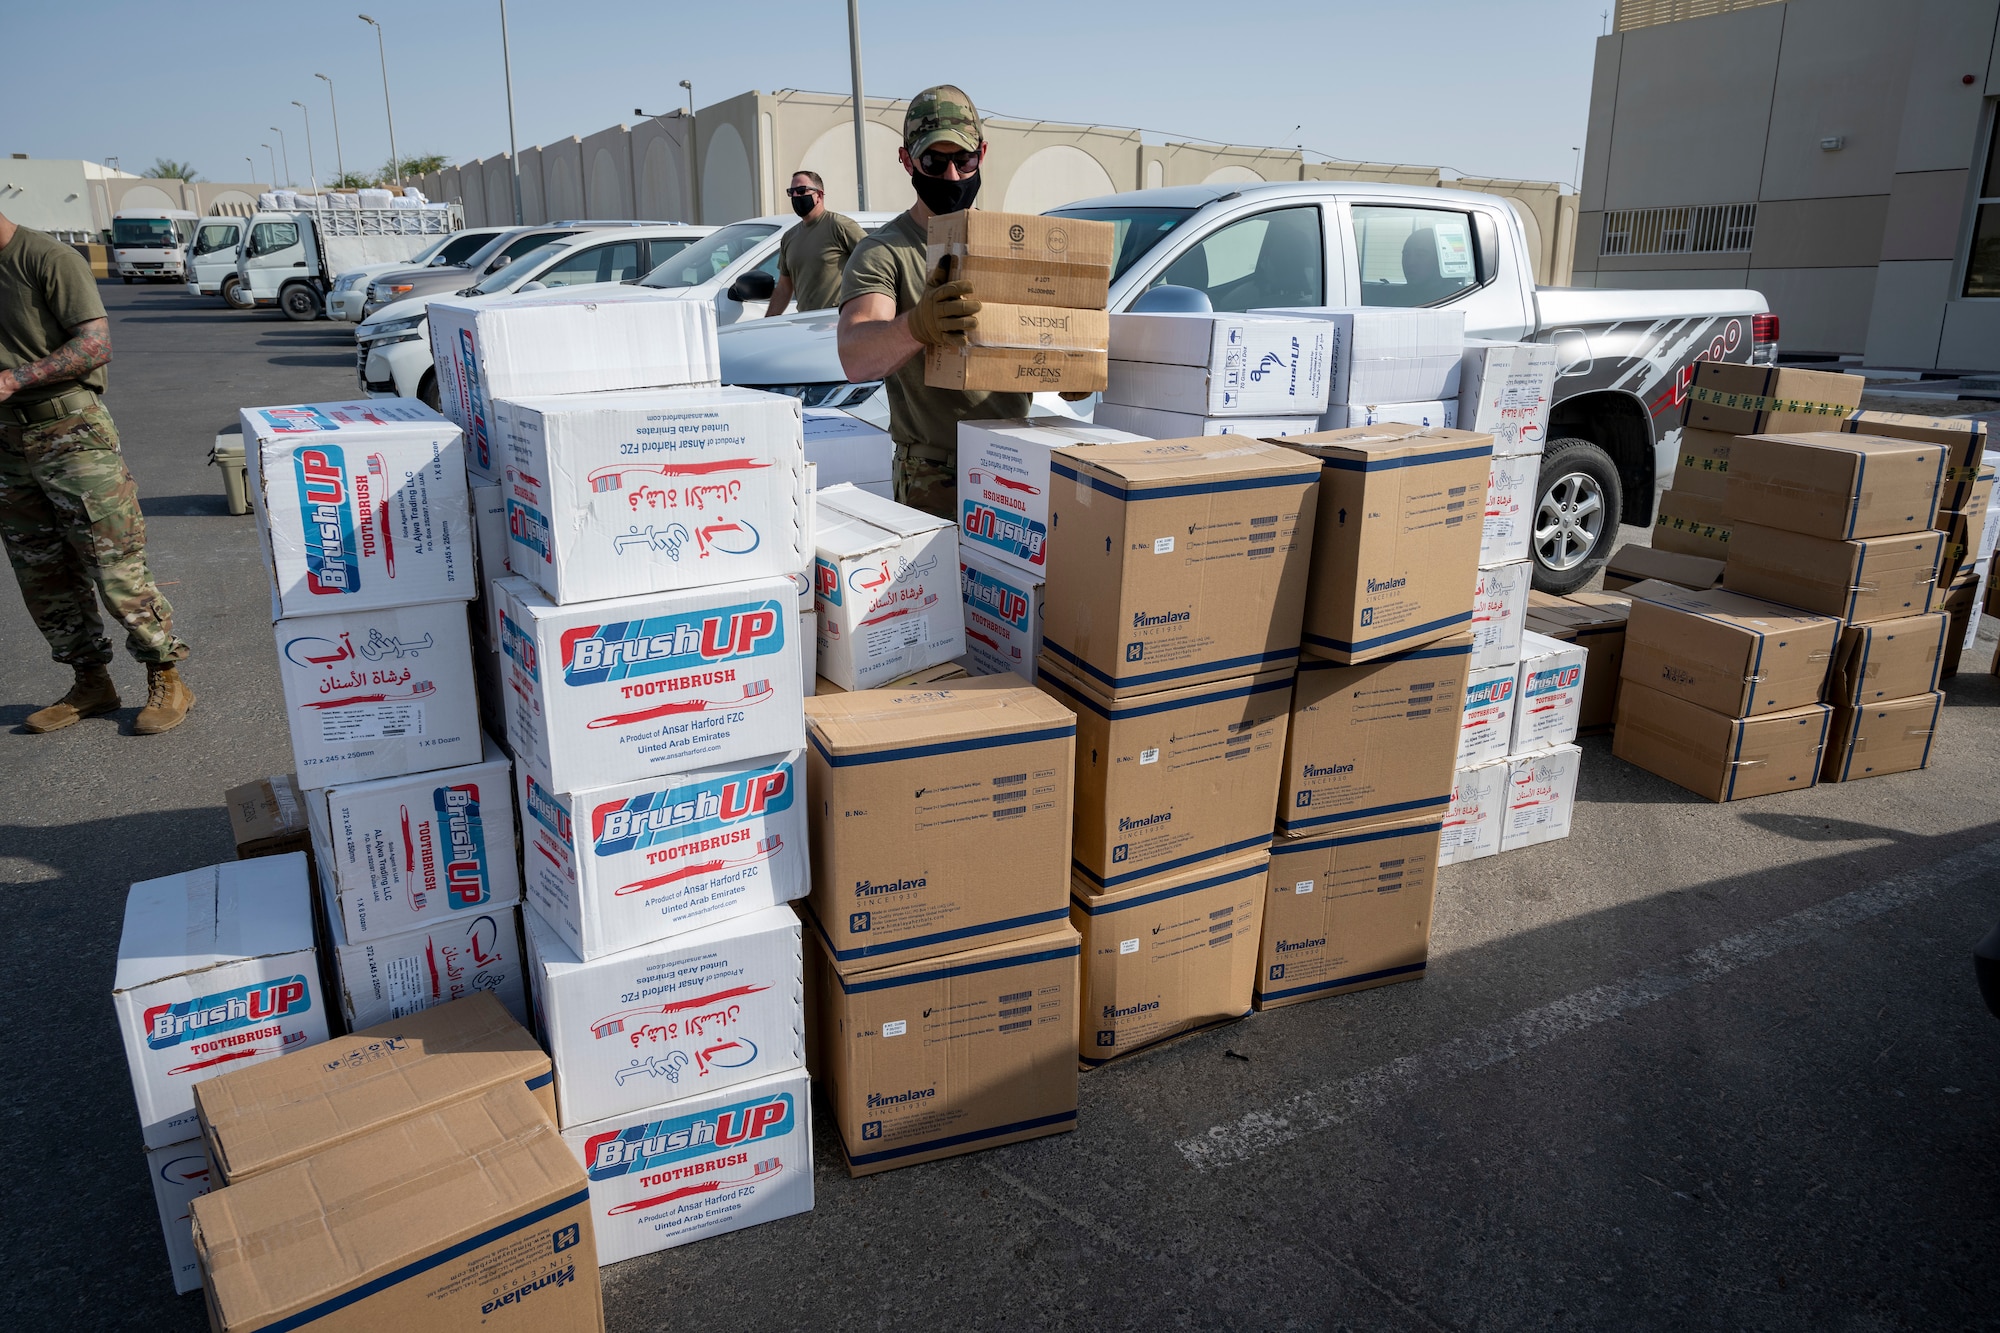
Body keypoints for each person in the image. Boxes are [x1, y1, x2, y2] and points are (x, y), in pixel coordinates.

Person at [0, 210, 194, 734]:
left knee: (113, 562)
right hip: (6, 443)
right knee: (41, 572)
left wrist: (16, 378)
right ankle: (92, 683)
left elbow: (95, 345)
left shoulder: (46, 258)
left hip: (70, 432)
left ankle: (166, 675)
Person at [835, 85, 1030, 520]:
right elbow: (855, 356)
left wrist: (1071, 363)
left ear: (982, 152)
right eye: (934, 162)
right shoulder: (884, 252)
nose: (953, 178)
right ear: (907, 161)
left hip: (1021, 466)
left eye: (964, 161)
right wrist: (917, 326)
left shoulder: (1010, 246)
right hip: (937, 476)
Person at [766, 171, 863, 317]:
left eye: (801, 191)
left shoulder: (839, 226)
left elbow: (874, 264)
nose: (796, 196)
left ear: (819, 195)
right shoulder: (789, 237)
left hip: (835, 320)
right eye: (791, 192)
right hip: (805, 321)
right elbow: (784, 287)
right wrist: (769, 322)